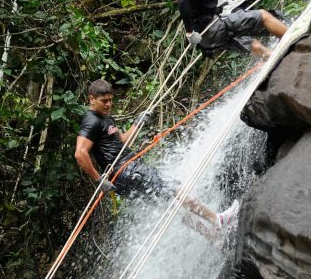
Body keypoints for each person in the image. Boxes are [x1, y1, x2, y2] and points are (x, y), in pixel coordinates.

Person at [74, 79, 240, 230]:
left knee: (171, 206)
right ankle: (217, 219)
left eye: (111, 100)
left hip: (126, 175)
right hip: (127, 171)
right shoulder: (92, 121)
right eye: (104, 101)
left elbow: (122, 142)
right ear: (91, 99)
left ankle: (213, 238)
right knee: (174, 187)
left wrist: (137, 123)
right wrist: (99, 180)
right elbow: (80, 153)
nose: (109, 104)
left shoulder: (106, 119)